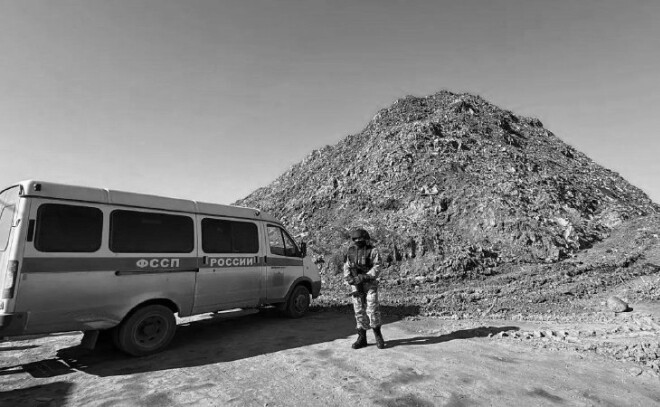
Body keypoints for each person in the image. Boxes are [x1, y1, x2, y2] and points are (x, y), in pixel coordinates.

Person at [343, 228, 385, 349]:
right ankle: (362, 338)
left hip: (369, 284)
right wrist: (349, 278)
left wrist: (365, 276)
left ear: (366, 239)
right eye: (356, 239)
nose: (358, 241)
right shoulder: (351, 251)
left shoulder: (373, 251)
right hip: (356, 285)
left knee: (372, 309)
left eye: (360, 239)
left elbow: (377, 266)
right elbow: (347, 265)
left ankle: (378, 336)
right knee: (359, 311)